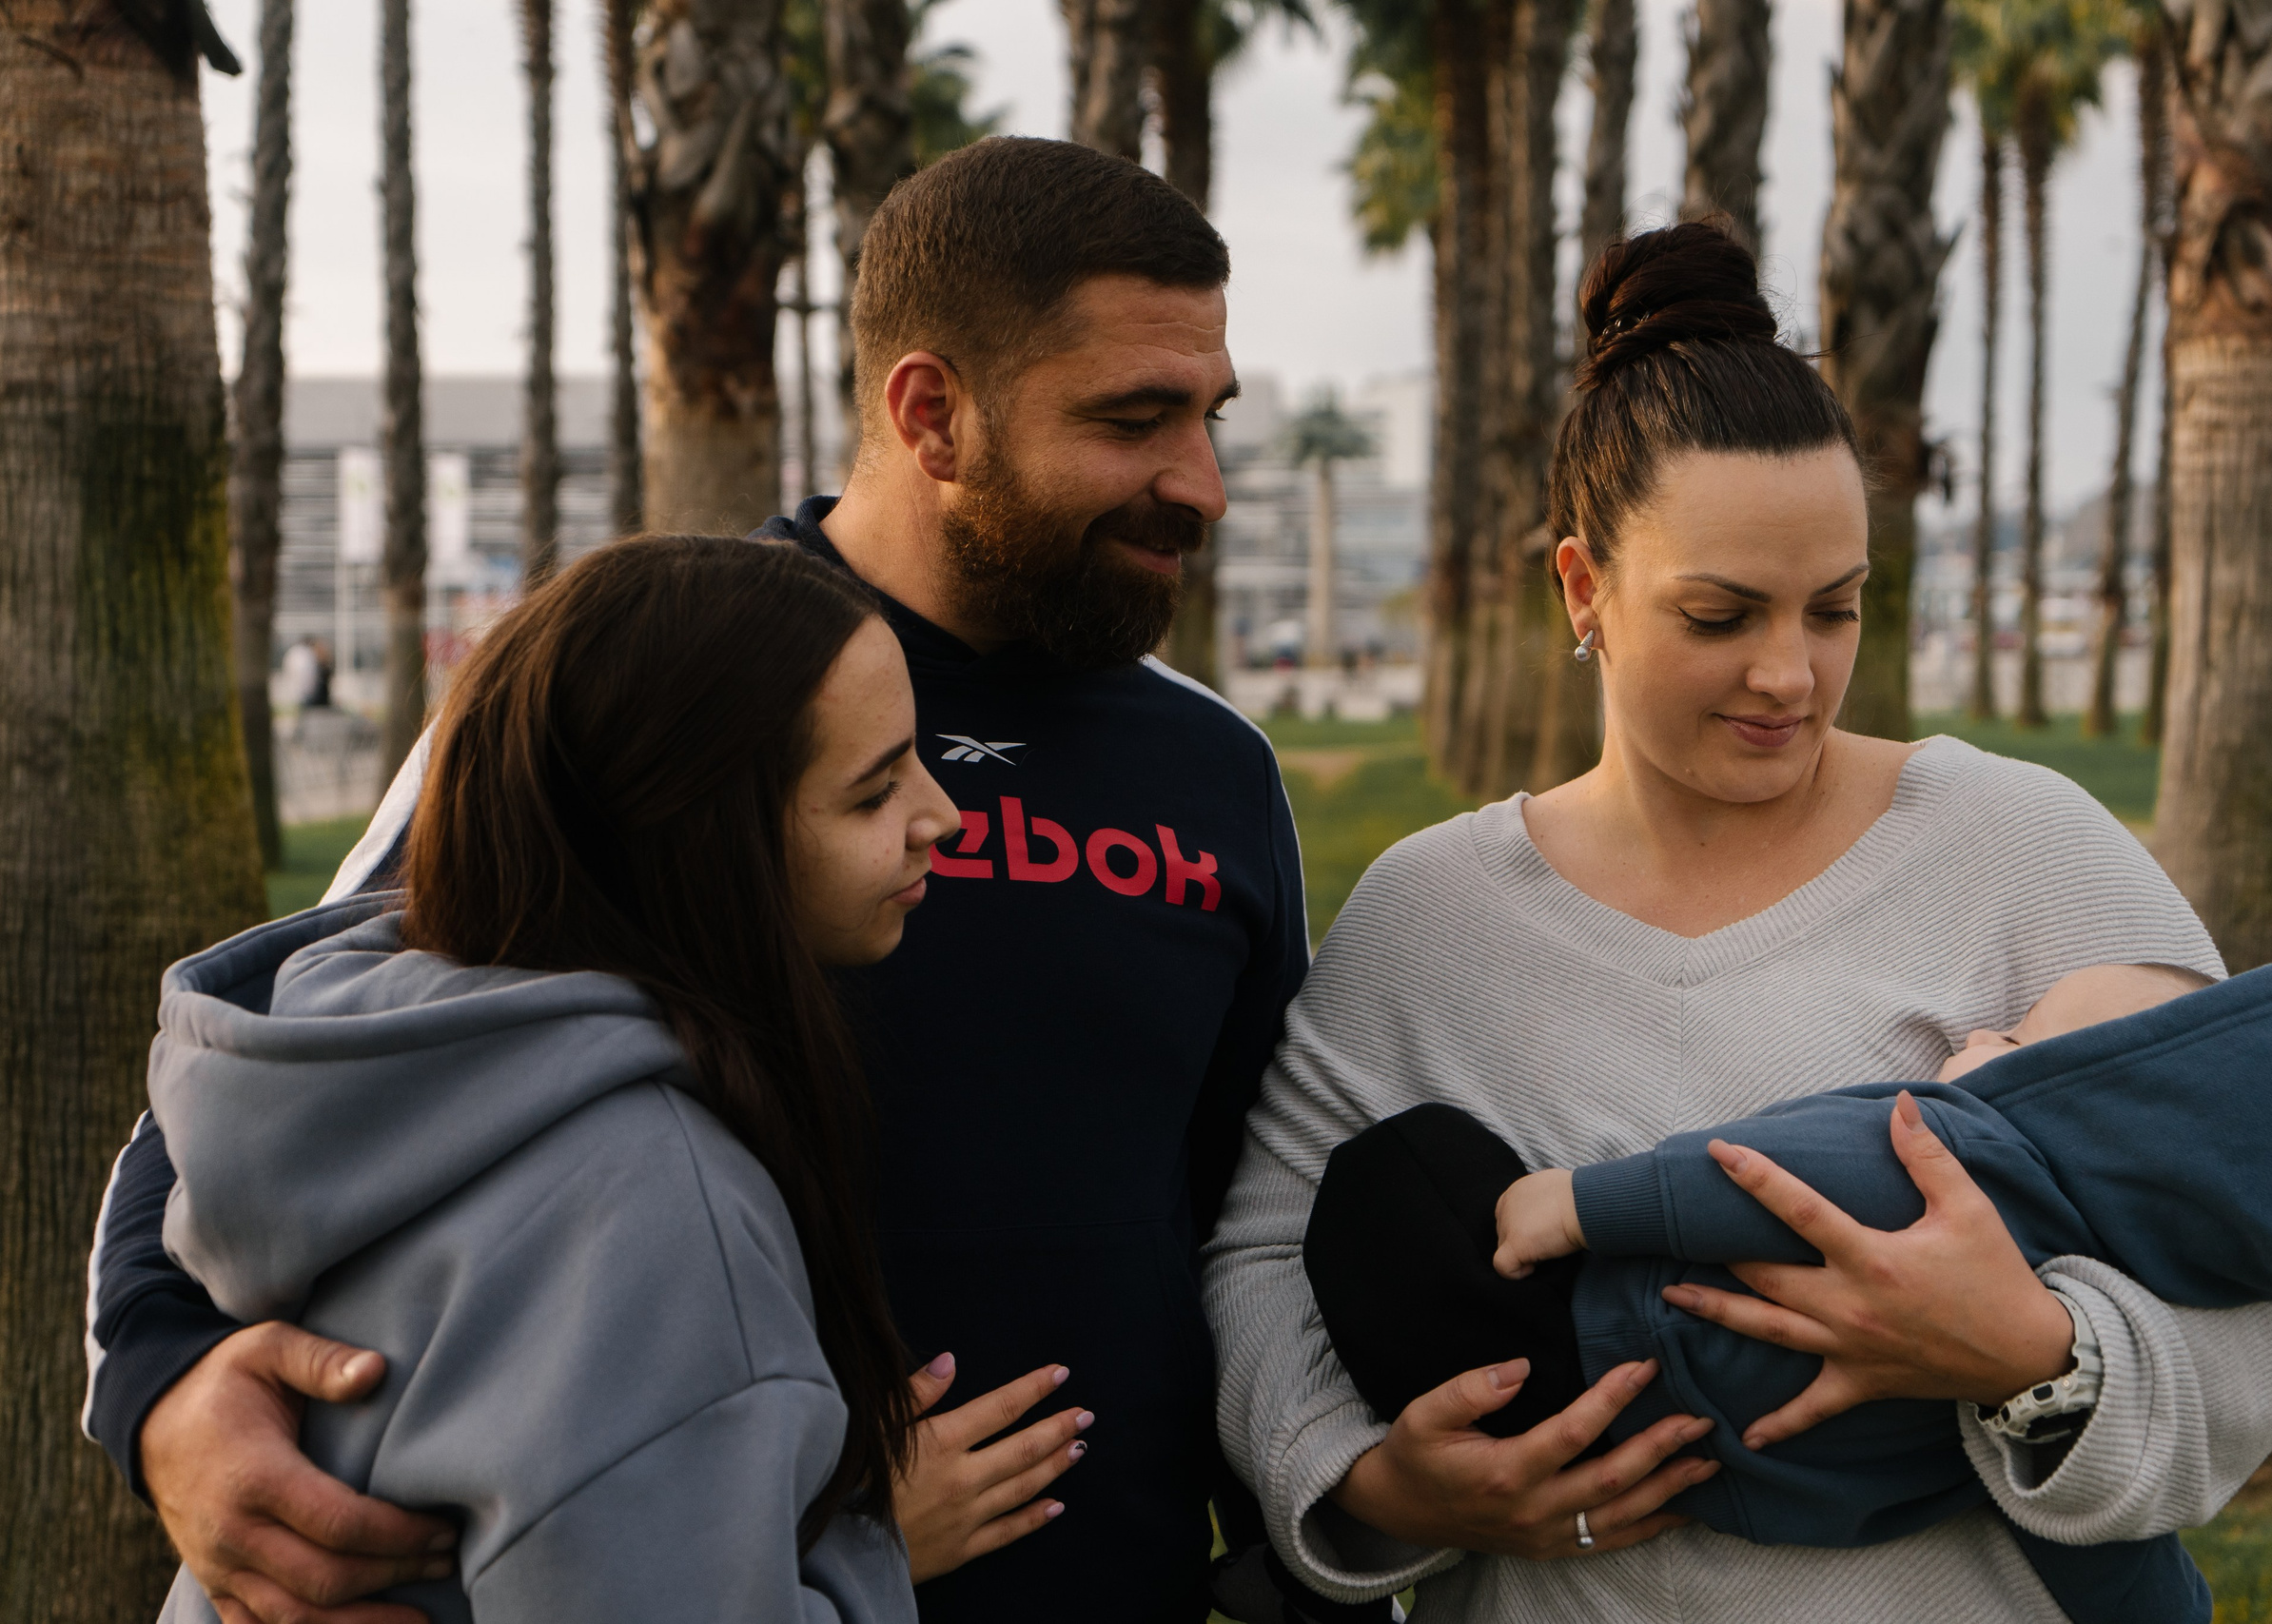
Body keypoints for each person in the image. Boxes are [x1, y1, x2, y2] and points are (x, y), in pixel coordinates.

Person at [86, 137, 1354, 1624]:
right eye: (1134, 419)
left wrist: (1312, 1551)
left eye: (1209, 415)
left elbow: (1265, 1214)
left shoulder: (1215, 764)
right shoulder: (627, 692)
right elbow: (283, 1077)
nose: (1197, 483)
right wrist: (171, 1392)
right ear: (932, 412)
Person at [1203, 222, 2272, 1622]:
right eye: (1720, 613)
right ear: (1582, 589)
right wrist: (1373, 1484)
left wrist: (2039, 1351)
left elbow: (2259, 1246)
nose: (1789, 675)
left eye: (1835, 608)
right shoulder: (1430, 915)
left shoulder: (2025, 847)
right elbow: (1261, 1254)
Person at [150, 535, 950, 1621]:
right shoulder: (656, 1215)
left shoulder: (374, 1074)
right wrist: (862, 1545)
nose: (941, 815)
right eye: (872, 791)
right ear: (701, 847)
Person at [1306, 962, 2272, 1622]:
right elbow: (2106, 1558)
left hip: (1591, 1340)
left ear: (2090, 1105)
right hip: (1752, 1486)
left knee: (1404, 1173)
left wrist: (1582, 1206)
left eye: (2018, 1038)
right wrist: (1357, 1502)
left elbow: (1762, 1179)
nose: (1980, 1032)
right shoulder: (2130, 1239)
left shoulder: (1951, 1154)